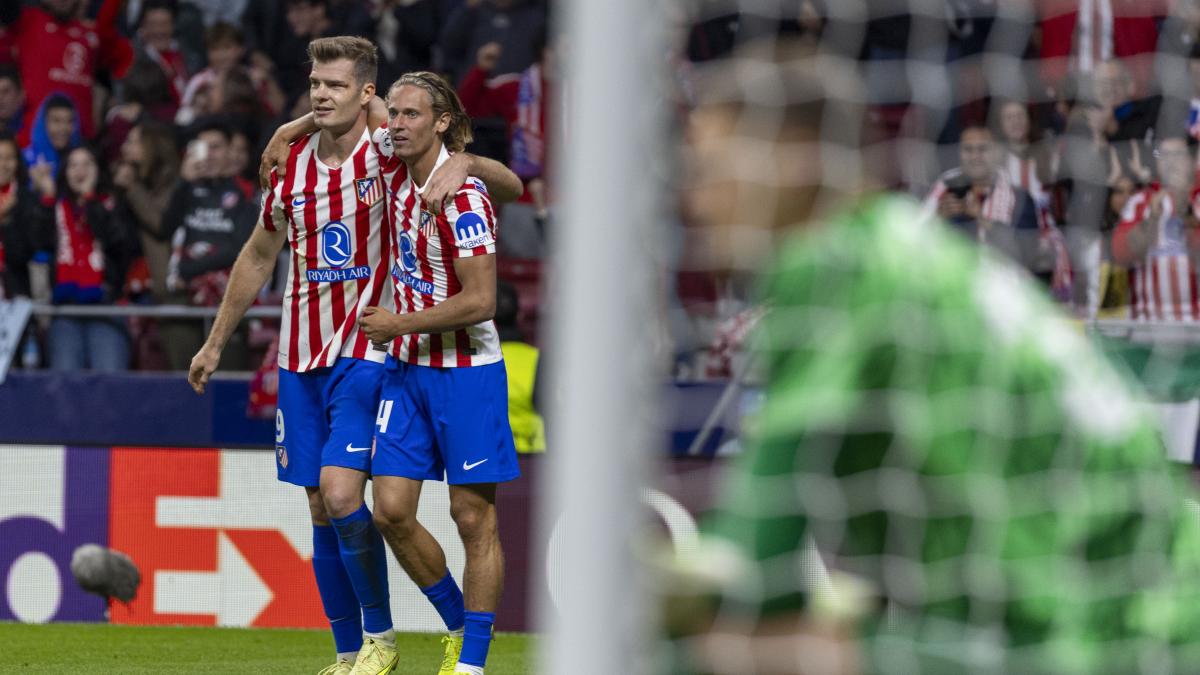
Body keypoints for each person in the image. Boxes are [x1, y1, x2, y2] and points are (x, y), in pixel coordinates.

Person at [674, 44, 1200, 674]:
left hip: (1108, 633)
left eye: (711, 167)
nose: (697, 200)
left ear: (791, 161)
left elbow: (750, 571)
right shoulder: (904, 248)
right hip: (1149, 603)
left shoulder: (835, 269)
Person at [189, 37, 522, 675]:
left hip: (373, 352)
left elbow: (506, 185)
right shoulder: (292, 165)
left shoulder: (385, 155)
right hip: (301, 354)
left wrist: (469, 163)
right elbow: (260, 254)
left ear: (364, 92)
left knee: (350, 495)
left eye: (336, 85)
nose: (322, 95)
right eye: (315, 84)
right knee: (333, 504)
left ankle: (429, 647)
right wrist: (215, 340)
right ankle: (361, 648)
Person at [359, 70, 520, 675]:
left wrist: (469, 164)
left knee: (471, 517)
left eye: (409, 115)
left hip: (466, 373)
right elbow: (350, 108)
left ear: (442, 122)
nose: (395, 125)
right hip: (408, 372)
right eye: (394, 114)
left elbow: (481, 302)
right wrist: (287, 132)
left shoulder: (464, 197)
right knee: (390, 511)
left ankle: (471, 665)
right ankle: (457, 624)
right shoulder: (393, 153)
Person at [160, 118, 256, 370]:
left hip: (228, 298)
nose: (210, 155)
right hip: (185, 298)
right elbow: (164, 230)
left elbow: (239, 249)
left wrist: (188, 271)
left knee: (228, 378)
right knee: (184, 376)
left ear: (230, 151)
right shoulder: (187, 191)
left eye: (216, 147)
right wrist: (182, 183)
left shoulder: (245, 192)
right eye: (204, 148)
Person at [29, 145, 132, 371]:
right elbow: (36, 242)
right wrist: (47, 197)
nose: (80, 171)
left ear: (98, 170)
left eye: (87, 164)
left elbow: (117, 242)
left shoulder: (112, 204)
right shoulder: (54, 206)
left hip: (106, 306)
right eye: (74, 165)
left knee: (110, 380)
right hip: (65, 308)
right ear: (65, 171)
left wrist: (90, 199)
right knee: (65, 385)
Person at [0, 0, 133, 144]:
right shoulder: (28, 21)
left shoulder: (90, 35)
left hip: (81, 143)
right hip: (33, 140)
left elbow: (122, 58)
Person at [1111, 135, 1200, 321]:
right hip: (1151, 326)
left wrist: (1188, 216)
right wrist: (1152, 219)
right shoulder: (1140, 203)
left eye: (1178, 155)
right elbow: (1121, 254)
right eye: (1163, 156)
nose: (1170, 162)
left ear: (1192, 160)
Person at [111, 120, 180, 301]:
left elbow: (159, 224)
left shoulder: (171, 185)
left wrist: (133, 188)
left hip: (156, 283)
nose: (125, 148)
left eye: (133, 142)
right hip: (124, 279)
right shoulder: (122, 178)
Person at [495, 281, 544, 453]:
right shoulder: (538, 360)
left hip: (487, 458)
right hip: (533, 457)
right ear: (519, 316)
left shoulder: (471, 360)